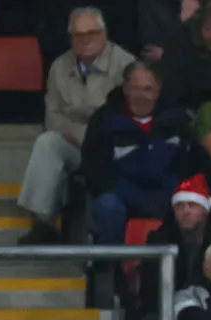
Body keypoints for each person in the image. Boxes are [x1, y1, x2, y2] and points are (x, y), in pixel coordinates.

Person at [15, 8, 131, 244]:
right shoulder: (59, 66)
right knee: (47, 142)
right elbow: (53, 116)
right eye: (78, 35)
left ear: (104, 34)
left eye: (92, 33)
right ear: (70, 38)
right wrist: (78, 131)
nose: (85, 39)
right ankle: (42, 222)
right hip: (73, 144)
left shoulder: (125, 66)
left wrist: (85, 131)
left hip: (109, 149)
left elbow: (122, 118)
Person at [81, 61, 192, 245]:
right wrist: (136, 196)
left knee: (193, 206)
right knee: (107, 205)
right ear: (125, 88)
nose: (141, 95)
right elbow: (95, 172)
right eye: (135, 88)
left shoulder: (178, 120)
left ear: (158, 91)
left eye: (148, 89)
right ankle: (107, 268)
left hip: (167, 195)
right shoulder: (104, 120)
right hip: (121, 196)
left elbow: (188, 165)